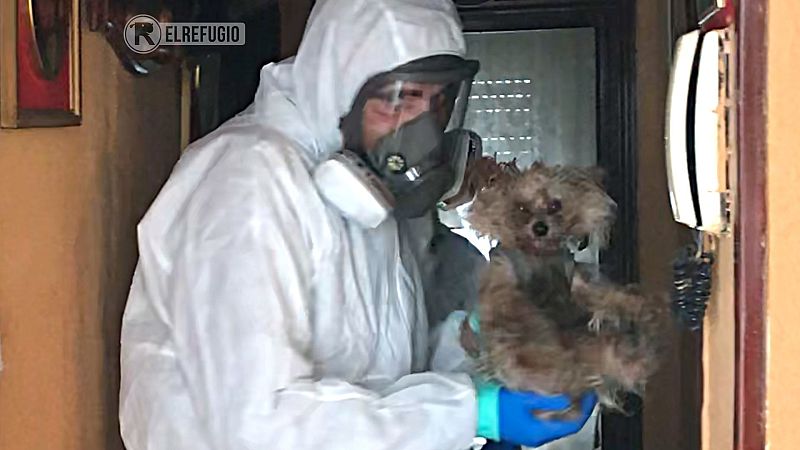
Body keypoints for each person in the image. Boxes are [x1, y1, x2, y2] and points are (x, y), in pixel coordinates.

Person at [118, 0, 596, 449]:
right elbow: (261, 427)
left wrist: (483, 349)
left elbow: (394, 368)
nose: (421, 131)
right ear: (340, 87)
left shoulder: (369, 196)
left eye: (439, 101)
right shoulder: (246, 181)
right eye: (400, 99)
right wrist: (471, 412)